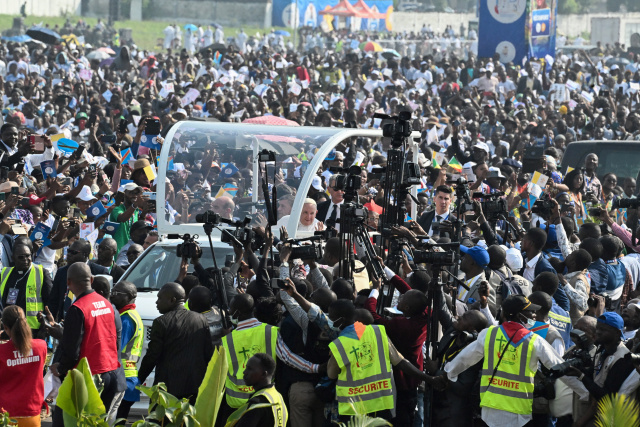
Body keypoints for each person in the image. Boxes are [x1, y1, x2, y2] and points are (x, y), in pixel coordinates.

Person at [444, 295, 566, 427]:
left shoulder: (488, 334)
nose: (534, 315)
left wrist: (449, 373)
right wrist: (582, 388)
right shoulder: (535, 342)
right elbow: (561, 367)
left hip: (490, 411)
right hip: (518, 415)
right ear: (520, 316)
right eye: (530, 311)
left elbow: (464, 359)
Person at [327, 299, 435, 420]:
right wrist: (429, 379)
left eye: (331, 318)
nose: (329, 321)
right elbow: (401, 361)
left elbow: (331, 374)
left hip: (353, 411)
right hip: (382, 407)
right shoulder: (377, 332)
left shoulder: (339, 345)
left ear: (341, 320)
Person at [51, 262, 121, 423]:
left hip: (89, 378)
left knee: (63, 421)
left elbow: (72, 350)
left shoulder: (78, 308)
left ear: (68, 283)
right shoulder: (107, 304)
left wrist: (60, 368)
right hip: (110, 373)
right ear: (91, 279)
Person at [137, 282, 213, 403]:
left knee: (159, 421)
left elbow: (152, 356)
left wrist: (138, 380)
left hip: (167, 389)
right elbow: (208, 352)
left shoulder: (161, 322)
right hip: (194, 386)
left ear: (172, 300)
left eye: (160, 298)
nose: (156, 302)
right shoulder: (200, 319)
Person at [563, 312, 635, 426]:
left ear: (617, 333)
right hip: (595, 412)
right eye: (598, 329)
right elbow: (594, 374)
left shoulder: (623, 358)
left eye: (603, 330)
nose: (598, 333)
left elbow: (606, 397)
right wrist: (578, 370)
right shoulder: (602, 350)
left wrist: (581, 376)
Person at [0, 306, 47, 427]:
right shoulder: (41, 346)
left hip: (6, 416)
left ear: (5, 328)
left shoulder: (1, 352)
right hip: (32, 413)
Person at [49, 239, 109, 321]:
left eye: (73, 252)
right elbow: (54, 300)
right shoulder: (62, 271)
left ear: (85, 255)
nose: (69, 254)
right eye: (68, 251)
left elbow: (105, 300)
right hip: (64, 321)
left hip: (88, 320)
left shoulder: (99, 271)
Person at [224, 353, 288, 427]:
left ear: (264, 374)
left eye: (249, 369)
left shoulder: (257, 404)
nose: (244, 372)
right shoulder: (277, 396)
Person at [111, 281, 144, 424]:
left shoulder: (126, 319)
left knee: (115, 420)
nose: (112, 296)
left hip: (123, 377)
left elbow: (115, 346)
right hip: (128, 377)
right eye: (112, 292)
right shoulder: (131, 314)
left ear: (129, 297)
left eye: (117, 294)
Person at [0, 243, 52, 332]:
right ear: (13, 258)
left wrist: (44, 330)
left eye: (28, 256)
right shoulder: (5, 273)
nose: (25, 260)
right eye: (21, 257)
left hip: (32, 329)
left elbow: (50, 303)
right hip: (8, 328)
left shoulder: (41, 273)